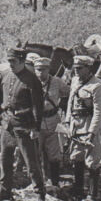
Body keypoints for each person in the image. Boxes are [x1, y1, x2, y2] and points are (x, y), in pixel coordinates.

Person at [0, 47, 46, 201]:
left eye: (14, 62)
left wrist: (36, 127)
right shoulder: (5, 76)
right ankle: (4, 191)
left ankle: (39, 194)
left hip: (24, 126)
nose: (11, 64)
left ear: (22, 61)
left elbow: (38, 106)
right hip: (7, 125)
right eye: (9, 61)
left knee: (31, 162)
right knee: (5, 160)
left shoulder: (32, 80)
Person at [62, 55, 101, 201]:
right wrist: (67, 122)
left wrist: (92, 132)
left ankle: (93, 194)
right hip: (75, 125)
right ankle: (78, 189)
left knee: (92, 161)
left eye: (80, 68)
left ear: (89, 68)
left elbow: (99, 112)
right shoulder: (75, 81)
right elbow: (70, 102)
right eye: (75, 68)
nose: (76, 71)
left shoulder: (97, 86)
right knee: (76, 157)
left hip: (88, 126)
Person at [33, 57, 69, 186]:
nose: (41, 73)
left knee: (54, 155)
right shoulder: (30, 83)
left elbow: (69, 93)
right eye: (38, 70)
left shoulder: (57, 82)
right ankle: (39, 184)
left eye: (44, 70)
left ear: (49, 69)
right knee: (36, 154)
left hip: (53, 120)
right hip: (36, 122)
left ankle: (55, 184)